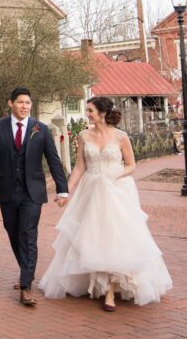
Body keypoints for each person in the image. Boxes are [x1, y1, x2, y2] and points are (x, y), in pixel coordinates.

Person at [38, 96, 173, 310]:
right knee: (92, 238)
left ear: (102, 113)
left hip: (116, 190)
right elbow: (80, 168)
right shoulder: (83, 136)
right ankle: (95, 282)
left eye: (90, 110)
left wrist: (114, 175)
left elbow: (131, 165)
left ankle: (110, 290)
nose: (87, 114)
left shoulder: (121, 137)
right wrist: (65, 192)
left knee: (116, 238)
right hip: (90, 191)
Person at [0, 87, 69, 306]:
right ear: (10, 103)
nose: (24, 106)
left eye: (28, 103)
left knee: (28, 234)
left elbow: (53, 159)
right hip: (7, 190)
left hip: (33, 192)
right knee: (12, 232)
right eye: (20, 102)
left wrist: (62, 189)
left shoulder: (40, 129)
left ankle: (25, 286)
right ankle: (25, 272)